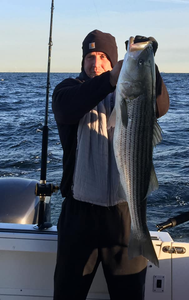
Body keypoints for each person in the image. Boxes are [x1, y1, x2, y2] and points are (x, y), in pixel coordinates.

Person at [52, 29, 169, 300]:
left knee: (129, 295)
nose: (95, 63)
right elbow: (66, 108)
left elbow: (161, 106)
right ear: (82, 62)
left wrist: (148, 61)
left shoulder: (131, 93)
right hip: (78, 217)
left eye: (103, 56)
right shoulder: (69, 90)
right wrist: (111, 78)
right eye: (90, 57)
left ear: (115, 60)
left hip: (124, 213)